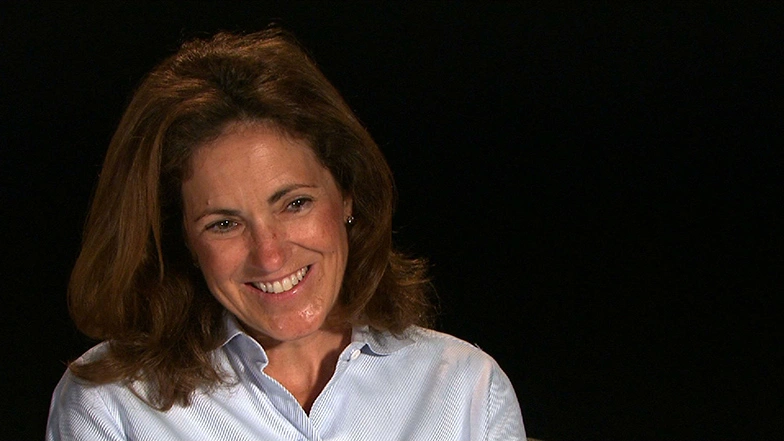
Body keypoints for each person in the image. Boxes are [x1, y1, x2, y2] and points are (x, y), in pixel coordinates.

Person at [46, 28, 526, 441]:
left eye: (295, 203)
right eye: (224, 224)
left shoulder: (466, 391)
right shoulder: (112, 406)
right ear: (184, 242)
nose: (270, 256)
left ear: (347, 195)